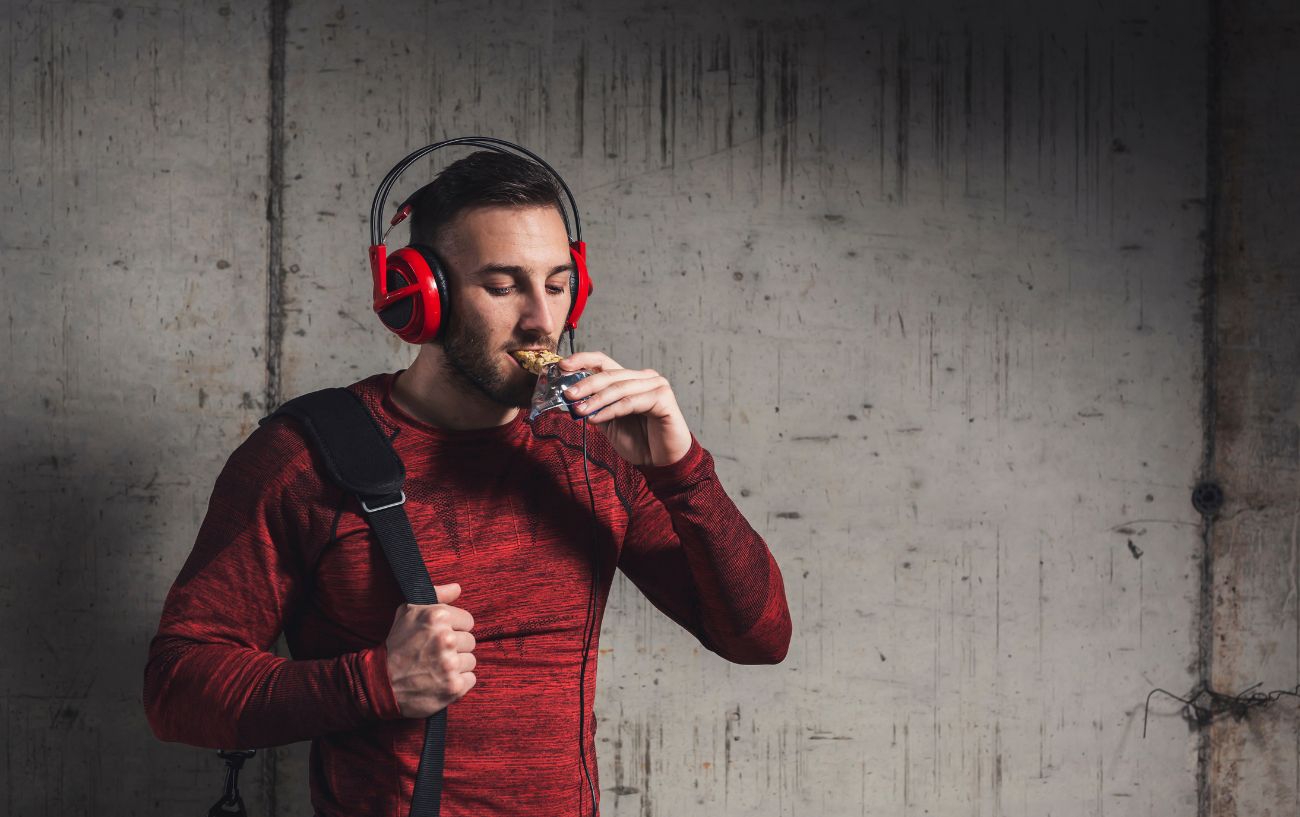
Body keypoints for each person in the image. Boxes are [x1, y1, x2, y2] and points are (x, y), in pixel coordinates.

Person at [143, 149, 792, 817]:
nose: (544, 319)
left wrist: (680, 470)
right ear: (422, 298)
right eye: (504, 286)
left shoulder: (597, 447)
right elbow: (177, 685)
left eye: (559, 283)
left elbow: (758, 637)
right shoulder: (305, 459)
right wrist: (374, 682)